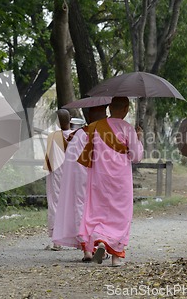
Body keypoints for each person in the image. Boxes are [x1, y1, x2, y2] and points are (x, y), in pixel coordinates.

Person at [77, 97, 143, 267]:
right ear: (126, 109)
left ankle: (100, 240)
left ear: (110, 108)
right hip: (120, 179)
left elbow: (88, 151)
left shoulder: (97, 127)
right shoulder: (127, 128)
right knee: (120, 214)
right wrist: (139, 138)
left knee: (99, 211)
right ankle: (116, 257)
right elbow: (136, 156)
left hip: (99, 178)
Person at [52, 105, 108, 262]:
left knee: (81, 211)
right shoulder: (107, 135)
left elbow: (70, 161)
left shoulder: (79, 134)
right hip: (101, 181)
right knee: (99, 211)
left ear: (89, 117)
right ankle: (100, 245)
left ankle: (87, 251)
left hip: (80, 180)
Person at [43, 109, 73, 250]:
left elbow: (48, 161)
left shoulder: (53, 136)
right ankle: (77, 239)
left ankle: (57, 241)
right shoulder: (77, 136)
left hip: (56, 174)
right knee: (74, 205)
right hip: (73, 175)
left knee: (55, 204)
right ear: (70, 119)